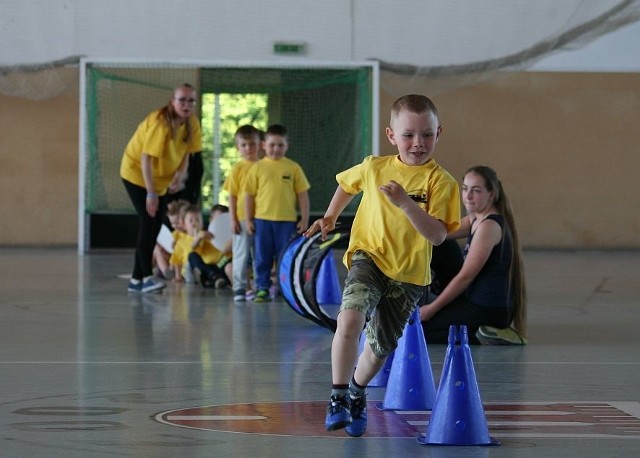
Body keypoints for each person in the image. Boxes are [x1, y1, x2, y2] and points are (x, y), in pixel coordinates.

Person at [305, 94, 461, 437]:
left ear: (439, 133)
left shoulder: (442, 182)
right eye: (408, 135)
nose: (418, 143)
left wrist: (406, 204)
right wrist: (330, 216)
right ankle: (338, 395)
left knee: (378, 349)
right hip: (368, 256)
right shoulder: (375, 167)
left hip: (408, 275)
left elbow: (437, 235)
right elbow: (346, 184)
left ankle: (359, 391)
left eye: (426, 135)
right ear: (392, 135)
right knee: (349, 318)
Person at [420, 165, 527, 345]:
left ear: (491, 195)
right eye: (465, 189)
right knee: (440, 243)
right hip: (473, 300)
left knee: (422, 333)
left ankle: (490, 334)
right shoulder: (475, 218)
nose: (468, 196)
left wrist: (431, 308)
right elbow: (439, 233)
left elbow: (465, 277)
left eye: (476, 191)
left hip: (489, 309)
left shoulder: (489, 227)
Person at [120, 83, 202, 293]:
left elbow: (187, 153)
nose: (186, 104)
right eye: (181, 100)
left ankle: (136, 280)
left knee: (155, 225)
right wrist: (150, 193)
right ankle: (147, 276)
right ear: (172, 101)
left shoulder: (192, 123)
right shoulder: (161, 123)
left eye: (190, 100)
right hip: (137, 174)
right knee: (148, 222)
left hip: (161, 179)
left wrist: (179, 175)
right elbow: (146, 159)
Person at [244, 124, 310, 303]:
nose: (276, 149)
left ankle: (285, 288)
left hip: (286, 221)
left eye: (280, 145)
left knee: (284, 256)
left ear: (287, 146)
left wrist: (304, 219)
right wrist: (248, 219)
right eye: (272, 144)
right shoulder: (257, 168)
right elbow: (248, 196)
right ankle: (262, 288)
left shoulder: (293, 168)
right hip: (262, 221)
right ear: (263, 145)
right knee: (262, 256)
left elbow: (302, 195)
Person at [222, 125, 261, 302]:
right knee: (241, 254)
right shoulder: (237, 168)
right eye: (244, 145)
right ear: (238, 147)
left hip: (262, 218)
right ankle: (239, 287)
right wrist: (233, 219)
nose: (248, 148)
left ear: (260, 144)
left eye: (252, 144)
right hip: (242, 219)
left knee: (259, 254)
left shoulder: (265, 166)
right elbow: (232, 195)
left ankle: (259, 286)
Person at [170, 204, 232, 288]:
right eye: (191, 220)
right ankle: (211, 277)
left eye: (198, 220)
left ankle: (217, 280)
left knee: (227, 261)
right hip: (204, 268)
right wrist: (178, 276)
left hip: (219, 265)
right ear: (184, 224)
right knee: (191, 257)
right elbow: (179, 258)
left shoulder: (209, 234)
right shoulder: (183, 241)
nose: (194, 223)